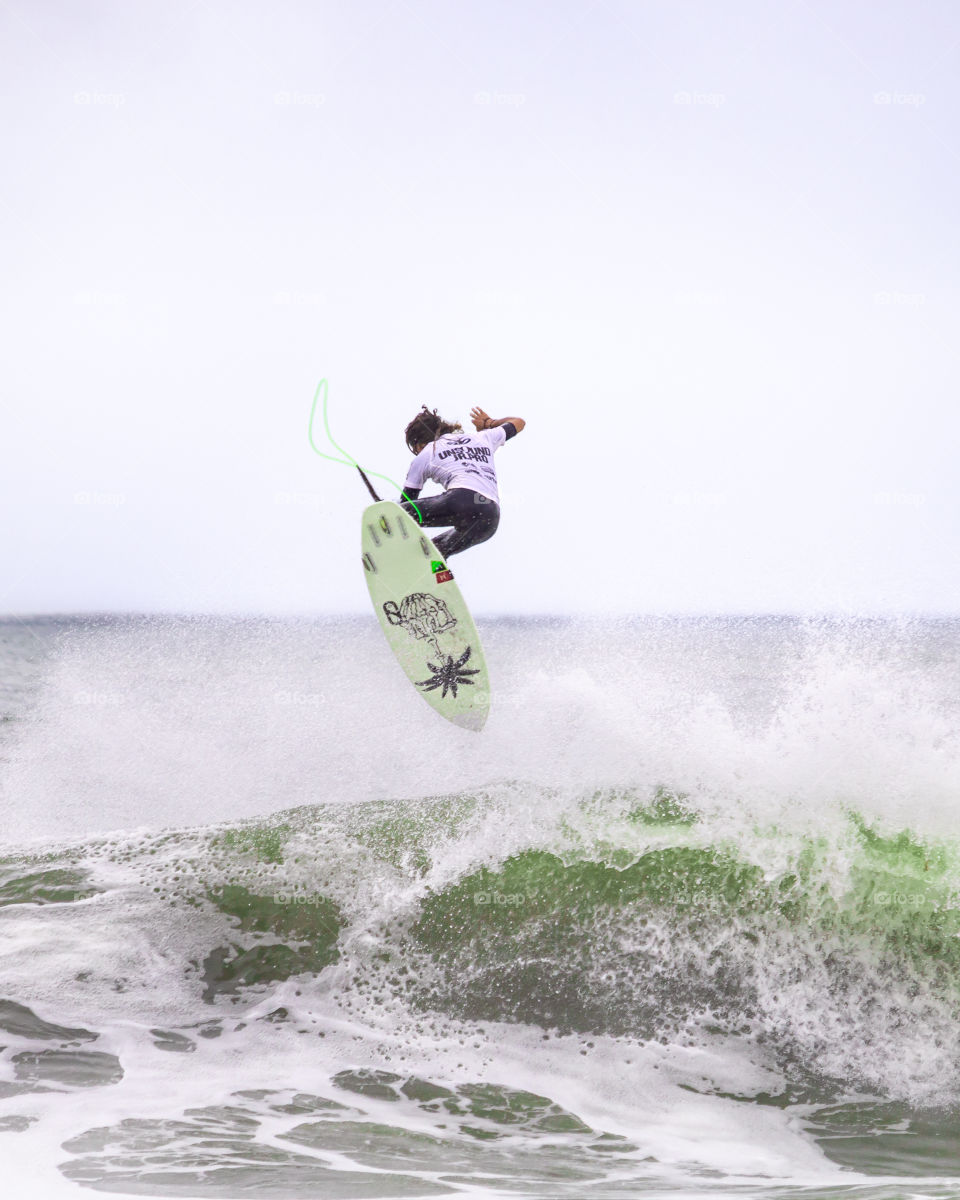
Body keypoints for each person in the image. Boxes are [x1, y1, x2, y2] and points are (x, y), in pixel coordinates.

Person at [398, 405, 525, 558]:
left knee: (400, 514)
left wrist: (388, 516)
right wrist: (489, 423)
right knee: (435, 551)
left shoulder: (426, 452)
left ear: (420, 444)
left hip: (461, 499)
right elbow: (519, 422)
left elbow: (405, 505)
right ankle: (437, 574)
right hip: (490, 516)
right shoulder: (483, 437)